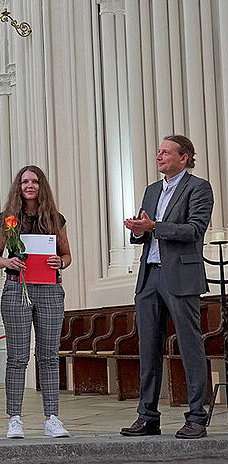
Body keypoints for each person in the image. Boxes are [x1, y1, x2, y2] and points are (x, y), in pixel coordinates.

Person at [121, 135, 213, 439]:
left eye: (165, 152)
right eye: (158, 151)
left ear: (183, 157)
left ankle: (197, 416)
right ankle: (148, 417)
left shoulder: (198, 188)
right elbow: (146, 235)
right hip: (149, 277)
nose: (159, 156)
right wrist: (139, 230)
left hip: (181, 277)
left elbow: (194, 230)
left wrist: (154, 227)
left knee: (189, 346)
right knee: (148, 348)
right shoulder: (152, 190)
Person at [0, 165, 72, 439]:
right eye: (24, 181)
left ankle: (52, 418)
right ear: (18, 186)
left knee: (48, 357)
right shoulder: (7, 219)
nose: (29, 185)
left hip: (49, 290)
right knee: (17, 357)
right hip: (16, 289)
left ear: (41, 186)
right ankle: (15, 418)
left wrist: (61, 262)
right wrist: (6, 261)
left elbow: (67, 256)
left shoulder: (54, 218)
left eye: (34, 181)